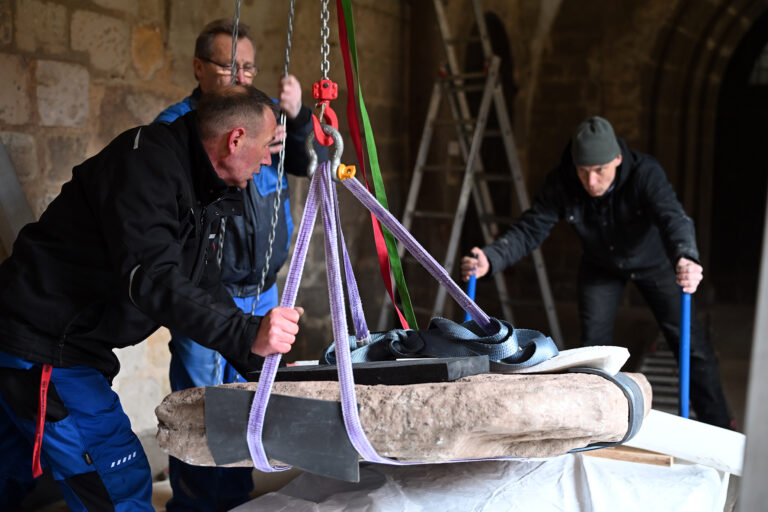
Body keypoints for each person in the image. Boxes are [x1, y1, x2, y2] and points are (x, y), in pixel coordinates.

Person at [0, 86, 303, 511]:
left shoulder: (202, 186)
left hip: (55, 340)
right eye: (267, 146)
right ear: (235, 139)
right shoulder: (146, 165)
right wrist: (246, 331)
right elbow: (151, 277)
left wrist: (263, 362)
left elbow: (205, 285)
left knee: (10, 470)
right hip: (45, 343)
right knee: (119, 482)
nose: (269, 160)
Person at [461, 116, 732, 429]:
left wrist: (686, 257)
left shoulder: (645, 173)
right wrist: (491, 258)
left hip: (653, 263)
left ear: (617, 159)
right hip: (600, 266)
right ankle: (592, 429)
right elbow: (530, 228)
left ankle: (720, 426)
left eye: (600, 170)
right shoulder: (563, 181)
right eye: (583, 171)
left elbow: (674, 218)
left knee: (691, 345)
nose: (591, 182)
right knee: (592, 350)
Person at [153, 19, 319, 511]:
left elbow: (311, 161)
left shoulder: (269, 119)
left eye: (248, 68)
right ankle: (196, 504)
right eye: (229, 67)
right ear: (199, 68)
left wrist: (299, 119)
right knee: (202, 404)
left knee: (251, 400)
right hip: (206, 294)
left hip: (263, 290)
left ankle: (235, 499)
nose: (241, 77)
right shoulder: (176, 128)